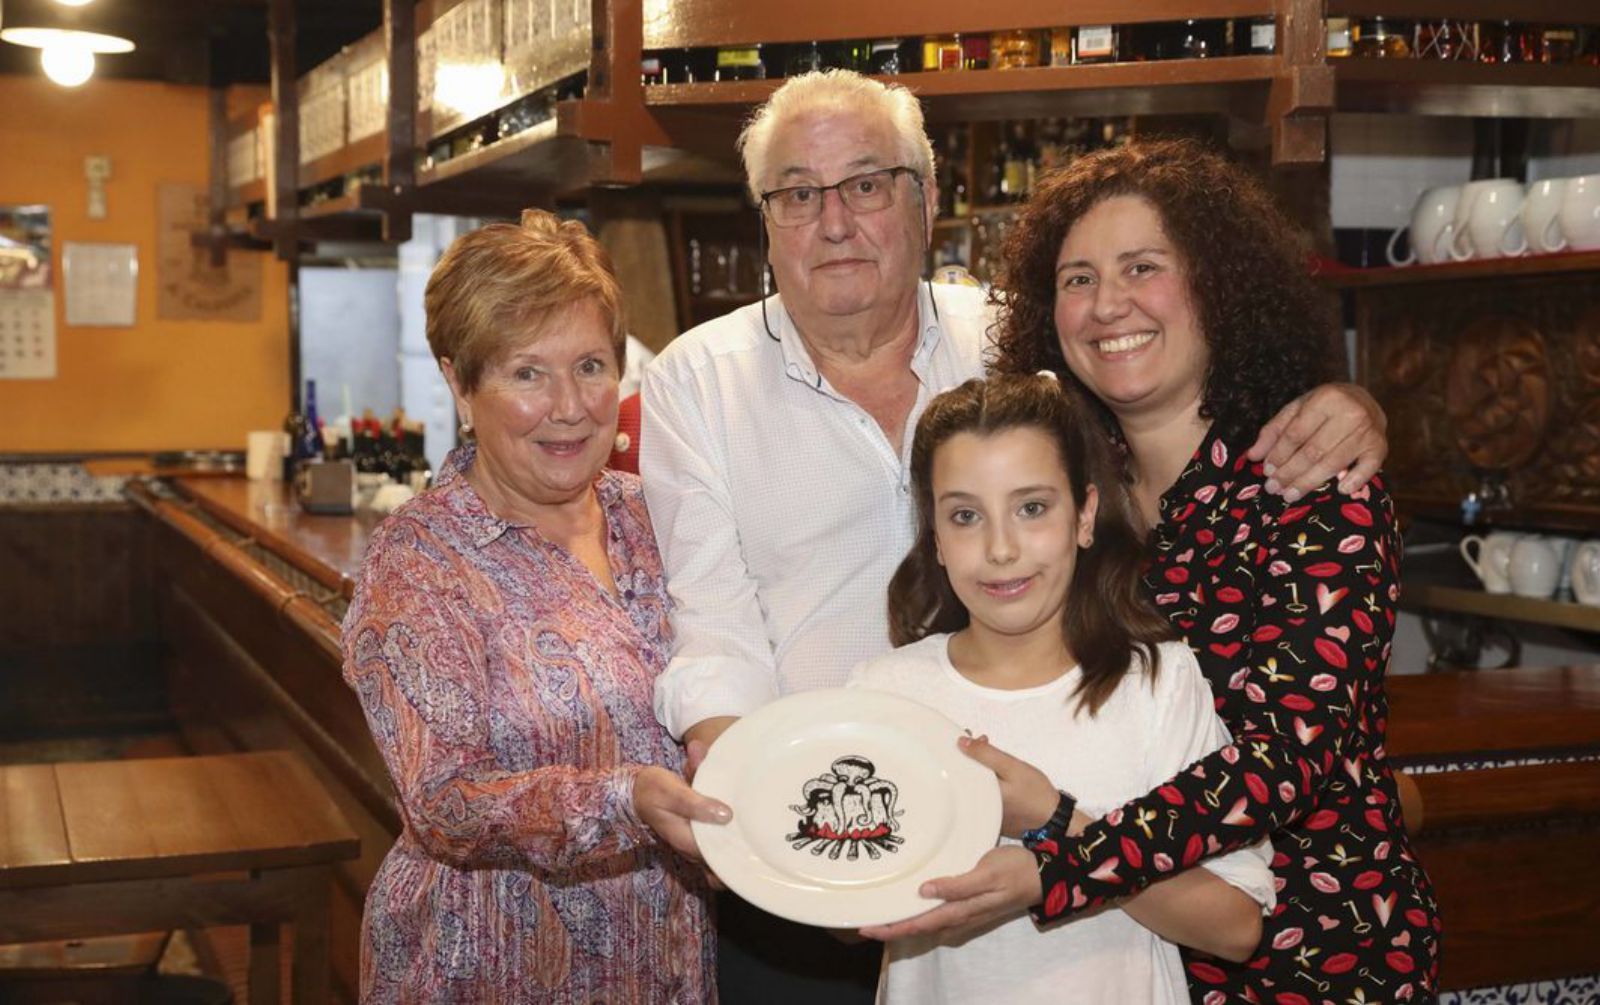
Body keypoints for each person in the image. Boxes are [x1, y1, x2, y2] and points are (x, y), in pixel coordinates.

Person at [641, 69, 1390, 1001]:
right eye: (798, 193)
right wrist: (749, 796)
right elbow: (709, 618)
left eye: (866, 183)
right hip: (848, 843)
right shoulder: (698, 380)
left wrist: (1051, 834)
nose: (834, 220)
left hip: (1284, 936)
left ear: (925, 196)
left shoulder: (1031, 346)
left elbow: (1287, 762)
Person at [864, 139, 1441, 1003]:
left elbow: (1279, 763)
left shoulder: (1313, 487)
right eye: (1078, 279)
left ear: (1216, 286)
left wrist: (1058, 843)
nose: (1108, 305)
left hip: (1314, 957)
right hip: (1126, 963)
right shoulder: (1072, 498)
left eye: (1143, 267)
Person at [340, 209, 722, 1003]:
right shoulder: (422, 557)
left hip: (665, 950)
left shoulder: (659, 514)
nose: (571, 405)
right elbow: (443, 796)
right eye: (526, 373)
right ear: (460, 381)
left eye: (590, 365)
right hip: (489, 960)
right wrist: (625, 800)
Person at [848, 373, 1275, 1003]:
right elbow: (845, 911)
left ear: (1085, 515)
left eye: (1032, 508)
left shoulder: (1157, 681)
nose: (1000, 548)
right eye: (966, 516)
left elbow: (1236, 928)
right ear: (936, 540)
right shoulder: (884, 693)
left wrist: (1056, 825)